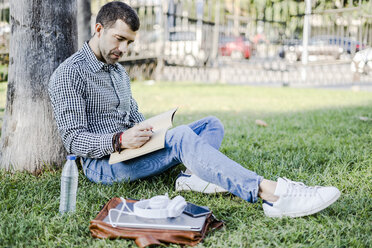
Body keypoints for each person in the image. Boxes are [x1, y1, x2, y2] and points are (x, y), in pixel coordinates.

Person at [48, 1, 340, 218]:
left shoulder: (118, 71)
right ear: (99, 29)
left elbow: (133, 115)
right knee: (183, 138)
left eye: (130, 42)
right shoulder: (70, 74)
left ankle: (191, 177)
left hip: (131, 149)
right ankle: (271, 194)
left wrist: (151, 128)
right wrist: (120, 140)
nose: (124, 49)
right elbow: (73, 140)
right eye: (119, 39)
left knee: (211, 124)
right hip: (104, 165)